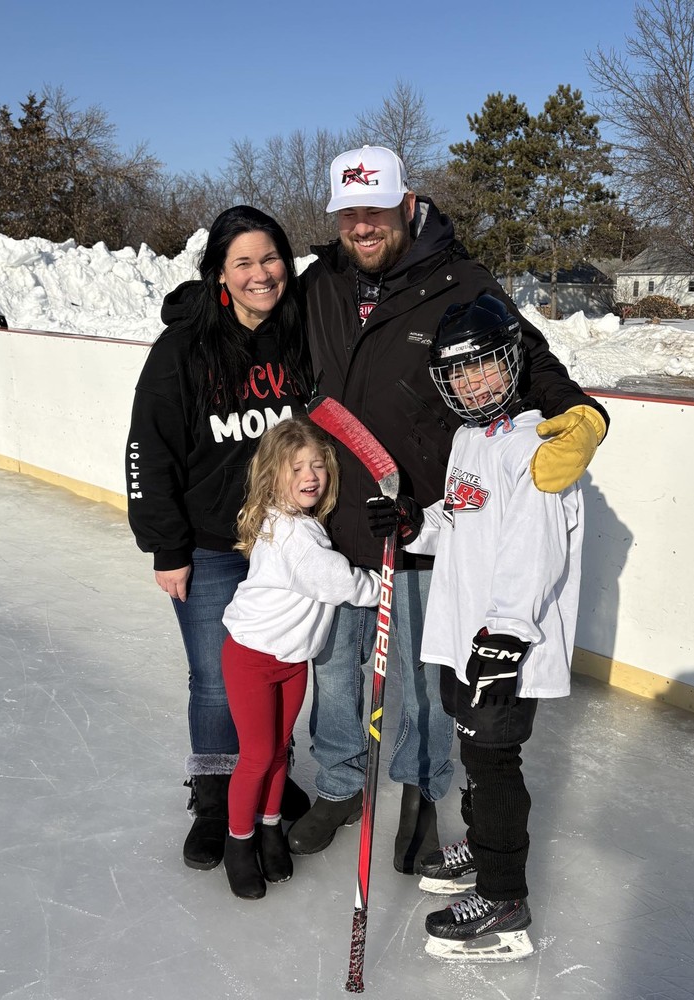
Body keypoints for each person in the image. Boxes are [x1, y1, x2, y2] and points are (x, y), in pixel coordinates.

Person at [289, 145, 608, 873]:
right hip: (336, 514)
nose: (362, 227)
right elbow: (263, 333)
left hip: (425, 517)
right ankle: (338, 786)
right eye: (349, 214)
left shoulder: (459, 280)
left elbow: (529, 357)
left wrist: (581, 414)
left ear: (407, 204)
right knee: (333, 671)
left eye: (375, 211)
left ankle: (421, 793)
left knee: (427, 681)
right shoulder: (321, 281)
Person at [366, 293, 585, 962]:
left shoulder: (537, 446)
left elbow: (535, 550)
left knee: (494, 764)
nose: (473, 383)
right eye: (459, 372)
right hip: (463, 637)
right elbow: (461, 520)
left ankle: (504, 898)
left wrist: (508, 634)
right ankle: (485, 847)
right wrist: (415, 524)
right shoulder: (468, 439)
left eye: (484, 365)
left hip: (503, 644)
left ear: (512, 363)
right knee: (474, 755)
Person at [126, 205, 313, 873]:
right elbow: (149, 450)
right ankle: (213, 798)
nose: (262, 274)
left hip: (286, 545)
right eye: (244, 262)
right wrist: (167, 547)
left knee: (280, 667)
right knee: (214, 678)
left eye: (271, 258)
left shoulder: (299, 336)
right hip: (210, 546)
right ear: (219, 275)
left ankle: (265, 777)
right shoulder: (182, 349)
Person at [219, 418, 381, 900]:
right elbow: (342, 583)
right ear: (273, 476)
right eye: (296, 468)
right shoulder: (293, 536)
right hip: (252, 658)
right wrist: (383, 584)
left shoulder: (303, 524)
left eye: (318, 465)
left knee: (278, 752)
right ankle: (238, 842)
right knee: (257, 756)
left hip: (290, 661)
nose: (310, 476)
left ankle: (270, 826)